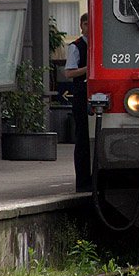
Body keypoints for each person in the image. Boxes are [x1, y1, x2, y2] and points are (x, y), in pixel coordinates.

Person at [64, 13, 91, 192]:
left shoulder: (99, 45)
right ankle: (81, 182)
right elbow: (69, 72)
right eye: (86, 24)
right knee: (81, 138)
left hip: (93, 95)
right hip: (81, 95)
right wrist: (87, 70)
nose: (89, 27)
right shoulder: (76, 46)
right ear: (81, 25)